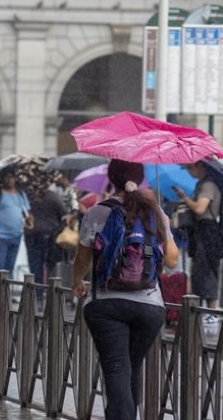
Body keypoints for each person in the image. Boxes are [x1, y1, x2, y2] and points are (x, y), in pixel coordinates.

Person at [71, 159, 178, 420]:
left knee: (117, 367)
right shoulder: (155, 211)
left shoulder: (97, 212)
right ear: (140, 178)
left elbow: (83, 260)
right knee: (131, 366)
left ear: (111, 178)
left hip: (106, 304)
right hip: (150, 306)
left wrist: (77, 282)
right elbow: (173, 260)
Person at [174, 161, 223, 317]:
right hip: (200, 232)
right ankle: (204, 310)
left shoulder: (208, 185)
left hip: (208, 232)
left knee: (207, 271)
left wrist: (185, 199)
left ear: (200, 166)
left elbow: (200, 208)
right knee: (199, 273)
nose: (189, 171)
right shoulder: (201, 184)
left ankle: (211, 312)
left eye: (190, 167)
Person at [0, 167, 33, 274]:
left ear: (15, 178)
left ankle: (7, 290)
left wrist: (30, 220)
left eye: (12, 177)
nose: (9, 180)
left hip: (16, 236)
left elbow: (28, 213)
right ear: (2, 179)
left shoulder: (21, 195)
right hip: (0, 237)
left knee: (10, 268)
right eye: (6, 177)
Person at [23, 189, 66, 295]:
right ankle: (52, 292)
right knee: (51, 265)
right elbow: (62, 214)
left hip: (33, 234)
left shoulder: (27, 197)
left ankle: (38, 293)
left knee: (35, 266)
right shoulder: (53, 196)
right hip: (51, 234)